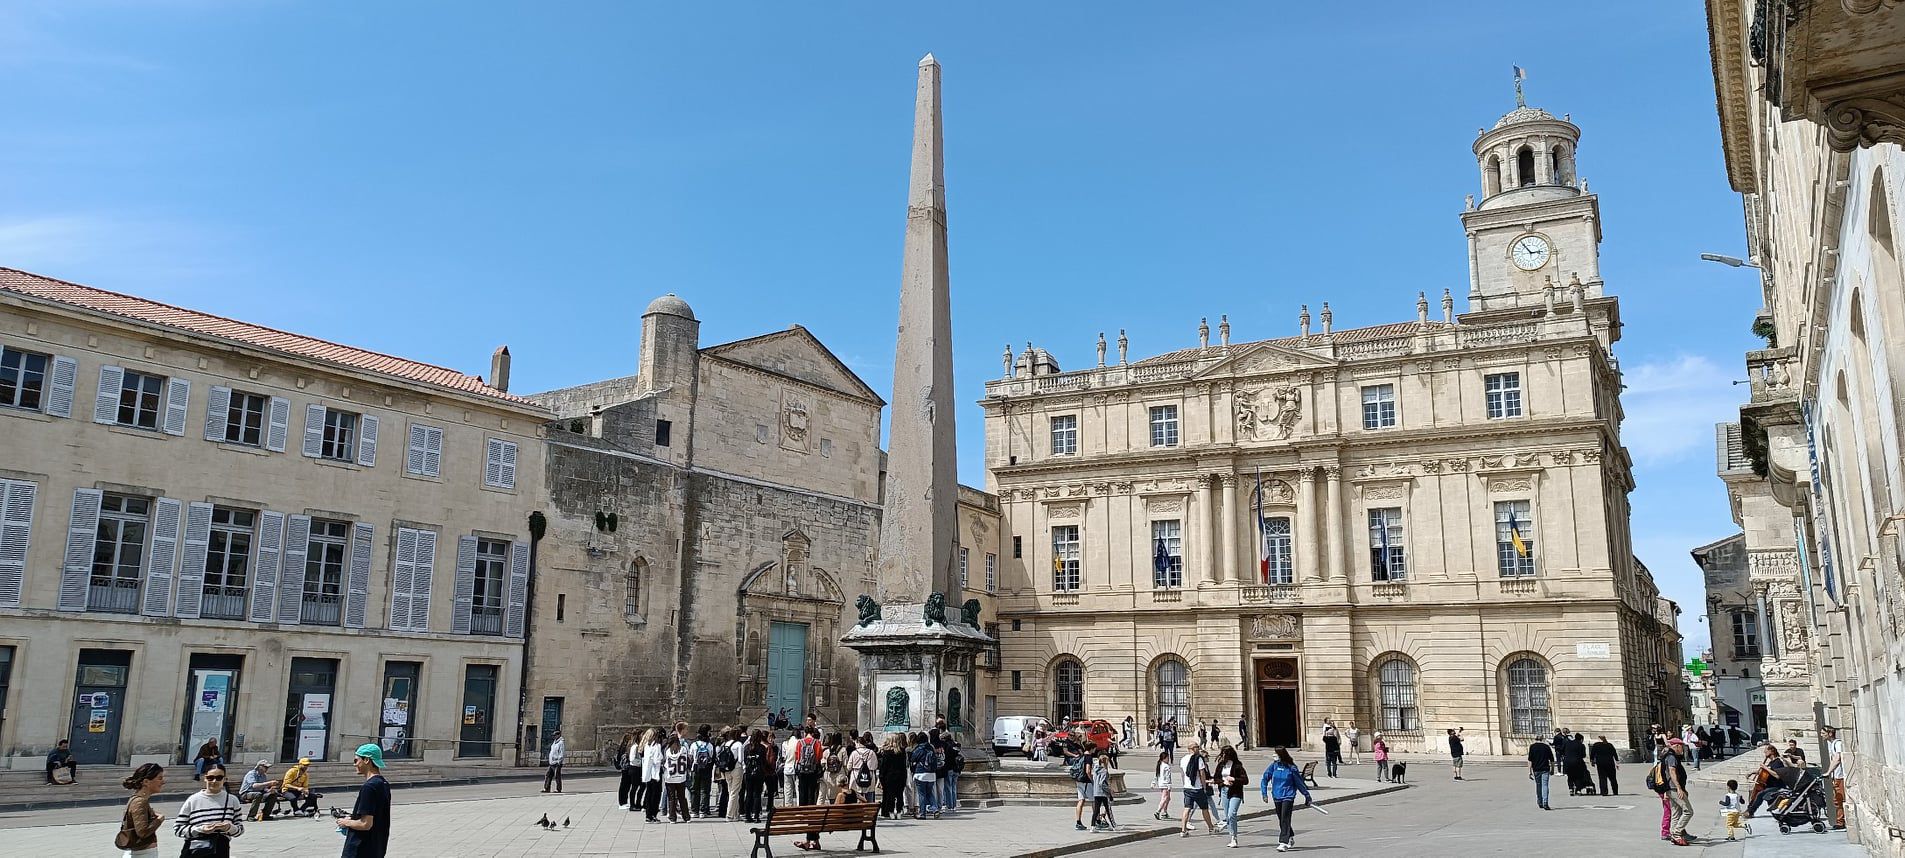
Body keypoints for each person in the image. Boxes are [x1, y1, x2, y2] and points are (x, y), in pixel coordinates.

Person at [173, 763, 244, 858]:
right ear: (205, 778)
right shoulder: (193, 800)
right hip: (196, 850)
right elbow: (178, 829)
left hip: (220, 850)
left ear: (225, 779)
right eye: (210, 777)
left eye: (219, 778)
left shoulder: (232, 800)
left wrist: (228, 827)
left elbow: (240, 829)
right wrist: (201, 829)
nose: (214, 781)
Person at [335, 744, 391, 858]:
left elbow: (365, 824)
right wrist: (352, 818)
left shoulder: (369, 787)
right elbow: (376, 815)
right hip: (377, 847)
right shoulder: (383, 784)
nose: (354, 764)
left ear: (366, 760)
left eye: (356, 760)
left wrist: (344, 822)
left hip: (360, 849)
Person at [1259, 747, 1312, 853]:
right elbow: (1265, 778)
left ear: (1281, 755)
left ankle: (1283, 842)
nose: (1274, 755)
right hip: (1277, 796)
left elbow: (1299, 783)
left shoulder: (1291, 768)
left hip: (1288, 796)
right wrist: (1264, 793)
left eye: (1276, 753)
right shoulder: (1274, 766)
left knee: (1285, 818)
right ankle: (1290, 835)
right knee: (1281, 818)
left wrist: (1307, 796)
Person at [118, 763, 166, 858]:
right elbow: (143, 832)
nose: (163, 782)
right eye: (159, 778)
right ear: (146, 782)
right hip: (141, 854)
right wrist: (159, 820)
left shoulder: (139, 800)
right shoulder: (139, 802)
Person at [1658, 737, 1692, 846]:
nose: (1682, 749)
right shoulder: (1672, 757)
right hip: (1674, 788)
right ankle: (1677, 833)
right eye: (1681, 746)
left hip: (1670, 789)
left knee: (1676, 813)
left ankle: (1673, 834)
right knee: (1688, 811)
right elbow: (1672, 772)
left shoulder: (1667, 756)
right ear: (1676, 746)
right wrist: (1679, 788)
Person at [1178, 740, 1217, 837]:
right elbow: (1202, 773)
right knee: (1204, 808)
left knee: (1187, 808)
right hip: (1197, 787)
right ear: (1191, 749)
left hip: (1187, 787)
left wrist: (1184, 784)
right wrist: (1204, 786)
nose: (1198, 749)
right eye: (1196, 747)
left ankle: (1183, 830)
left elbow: (1182, 774)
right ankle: (1211, 828)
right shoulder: (1198, 759)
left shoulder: (1183, 759)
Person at [1213, 744, 1247, 848]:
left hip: (1235, 792)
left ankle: (1234, 838)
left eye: (1224, 754)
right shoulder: (1221, 765)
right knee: (1227, 815)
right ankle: (1232, 835)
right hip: (1224, 791)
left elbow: (1245, 780)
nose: (1222, 756)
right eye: (1222, 754)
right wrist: (1223, 782)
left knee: (1232, 814)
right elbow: (1216, 779)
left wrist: (1234, 780)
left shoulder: (1237, 766)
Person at [1745, 742, 1788, 818]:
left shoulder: (1778, 762)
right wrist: (1752, 773)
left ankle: (1751, 812)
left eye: (1766, 751)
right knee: (1755, 793)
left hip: (1777, 786)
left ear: (1772, 751)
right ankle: (1748, 810)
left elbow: (1777, 775)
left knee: (1760, 794)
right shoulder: (1771, 762)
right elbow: (1765, 772)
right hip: (1768, 785)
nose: (1764, 753)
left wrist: (1765, 767)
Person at [909, 731, 939, 820]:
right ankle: (935, 809)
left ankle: (922, 814)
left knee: (922, 794)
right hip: (931, 774)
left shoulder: (918, 749)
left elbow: (913, 759)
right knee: (930, 793)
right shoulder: (931, 748)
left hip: (920, 774)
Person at [720, 727, 746, 820]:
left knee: (731, 791)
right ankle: (730, 814)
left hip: (727, 769)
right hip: (736, 768)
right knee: (735, 792)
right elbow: (740, 759)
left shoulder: (726, 744)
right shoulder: (739, 744)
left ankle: (736, 814)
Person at [688, 726, 715, 817]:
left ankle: (694, 810)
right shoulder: (710, 745)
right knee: (705, 790)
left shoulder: (694, 744)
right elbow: (711, 757)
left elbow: (690, 757)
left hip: (695, 768)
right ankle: (703, 810)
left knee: (694, 789)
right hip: (706, 769)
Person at [664, 735, 692, 823]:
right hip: (681, 776)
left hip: (670, 777)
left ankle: (672, 817)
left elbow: (664, 763)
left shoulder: (667, 751)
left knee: (671, 798)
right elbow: (688, 760)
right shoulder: (683, 749)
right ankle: (686, 817)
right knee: (682, 797)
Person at [641, 728, 666, 822]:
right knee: (656, 794)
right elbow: (657, 759)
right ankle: (653, 814)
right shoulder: (657, 746)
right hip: (655, 772)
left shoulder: (645, 746)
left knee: (649, 793)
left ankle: (648, 815)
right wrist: (661, 758)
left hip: (647, 773)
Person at [1089, 750, 1116, 831]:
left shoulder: (1095, 770)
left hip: (1096, 792)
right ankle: (1114, 826)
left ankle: (1092, 827)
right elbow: (1102, 783)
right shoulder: (1104, 771)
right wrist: (1109, 790)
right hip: (1103, 793)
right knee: (1108, 810)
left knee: (1096, 810)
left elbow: (1096, 781)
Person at [1824, 726, 1846, 828]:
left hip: (1840, 775)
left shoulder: (1837, 744)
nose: (1821, 735)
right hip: (1835, 775)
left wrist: (1828, 772)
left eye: (1823, 733)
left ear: (1830, 734)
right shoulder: (1830, 744)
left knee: (1840, 798)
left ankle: (1841, 822)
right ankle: (1840, 820)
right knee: (1837, 799)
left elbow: (1837, 758)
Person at [1527, 737, 1555, 810]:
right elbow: (1552, 759)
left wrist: (1529, 771)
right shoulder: (1546, 747)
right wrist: (1552, 769)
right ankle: (1545, 802)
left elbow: (1530, 760)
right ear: (1542, 739)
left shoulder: (1532, 747)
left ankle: (1540, 801)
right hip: (1545, 769)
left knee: (1538, 785)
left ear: (1535, 739)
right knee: (1545, 785)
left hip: (1536, 769)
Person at [614, 731, 639, 810]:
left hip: (625, 768)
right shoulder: (625, 747)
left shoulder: (623, 747)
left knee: (625, 785)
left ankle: (623, 802)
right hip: (626, 767)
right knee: (625, 785)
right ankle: (622, 802)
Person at [1151, 748, 1174, 820]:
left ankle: (1165, 812)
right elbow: (1168, 777)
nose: (1168, 759)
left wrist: (1153, 782)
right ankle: (1158, 811)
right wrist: (1169, 785)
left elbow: (1156, 775)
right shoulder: (1166, 766)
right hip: (1165, 784)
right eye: (1167, 758)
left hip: (1161, 783)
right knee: (1164, 798)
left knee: (1168, 798)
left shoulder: (1160, 765)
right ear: (1164, 758)